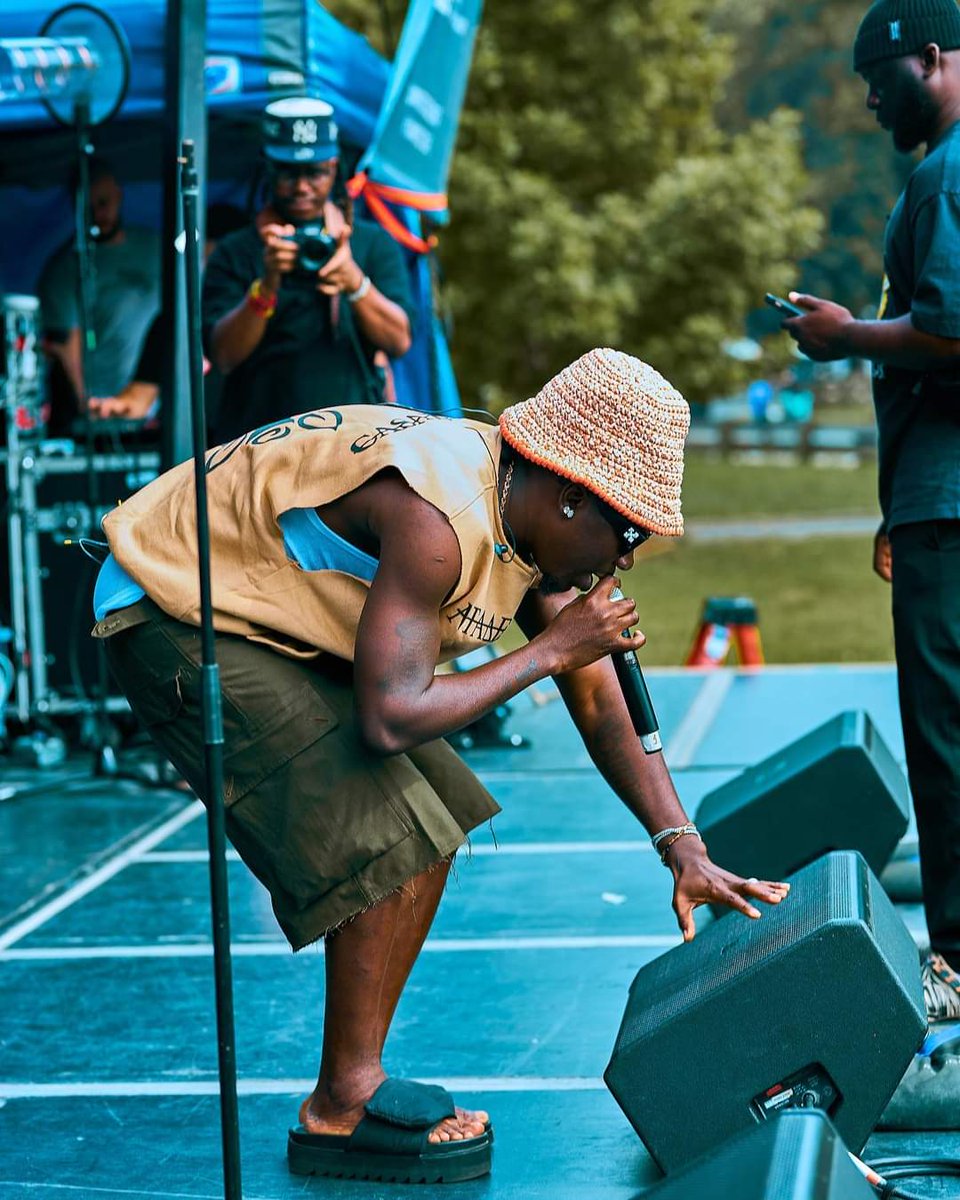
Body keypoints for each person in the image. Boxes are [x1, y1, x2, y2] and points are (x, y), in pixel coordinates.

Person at [90, 349, 788, 1183]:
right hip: (175, 605)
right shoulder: (439, 516)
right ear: (570, 495)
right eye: (627, 529)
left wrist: (681, 843)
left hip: (261, 600)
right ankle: (343, 1104)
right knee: (392, 833)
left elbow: (599, 699)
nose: (628, 558)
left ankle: (353, 1080)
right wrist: (553, 650)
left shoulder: (524, 514)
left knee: (438, 813)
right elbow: (391, 718)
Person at [782, 0, 960, 1023]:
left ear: (929, 58)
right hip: (933, 497)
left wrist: (848, 337)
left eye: (877, 73)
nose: (866, 95)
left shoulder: (943, 175)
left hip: (951, 498)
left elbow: (948, 333)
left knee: (944, 735)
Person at [202, 98, 414, 444]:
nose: (301, 186)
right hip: (257, 449)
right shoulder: (236, 251)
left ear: (334, 168)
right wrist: (266, 286)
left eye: (314, 172)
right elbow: (223, 356)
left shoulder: (371, 245)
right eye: (288, 172)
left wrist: (355, 283)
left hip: (352, 447)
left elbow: (399, 340)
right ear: (268, 168)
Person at [88, 204, 247, 427]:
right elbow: (139, 397)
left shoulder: (268, 312)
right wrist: (114, 406)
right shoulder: (174, 323)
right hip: (192, 453)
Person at [37, 159, 160, 421]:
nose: (98, 213)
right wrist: (85, 405)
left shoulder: (156, 248)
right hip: (104, 406)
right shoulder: (65, 267)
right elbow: (66, 346)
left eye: (103, 202)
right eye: (88, 207)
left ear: (119, 194)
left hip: (159, 403)